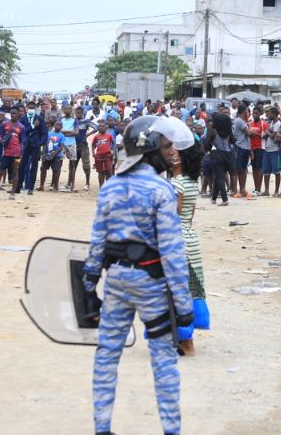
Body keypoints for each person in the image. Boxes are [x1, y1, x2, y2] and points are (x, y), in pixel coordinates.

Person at [82, 115, 193, 435]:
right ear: (151, 149)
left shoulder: (111, 188)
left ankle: (102, 427)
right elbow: (172, 252)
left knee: (107, 355)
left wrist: (89, 283)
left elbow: (97, 242)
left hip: (116, 281)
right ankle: (171, 429)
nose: (171, 151)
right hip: (152, 285)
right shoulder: (163, 190)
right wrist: (184, 305)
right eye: (167, 145)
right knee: (163, 362)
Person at [170, 142, 207, 356]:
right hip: (190, 238)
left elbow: (173, 211)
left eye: (175, 154)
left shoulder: (176, 184)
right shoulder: (191, 182)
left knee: (176, 290)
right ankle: (186, 340)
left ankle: (186, 341)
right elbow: (189, 214)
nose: (171, 156)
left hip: (176, 239)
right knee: (190, 288)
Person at [0, 106, 25, 200]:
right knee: (0, 171)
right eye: (11, 113)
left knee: (15, 172)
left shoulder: (21, 127)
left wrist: (20, 153)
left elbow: (22, 142)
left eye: (15, 113)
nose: (13, 115)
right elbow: (0, 135)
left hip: (16, 153)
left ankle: (12, 193)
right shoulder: (5, 124)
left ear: (19, 114)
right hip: (6, 152)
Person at [17, 101, 47, 196]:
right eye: (29, 107)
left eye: (33, 107)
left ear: (35, 108)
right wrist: (33, 126)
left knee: (34, 166)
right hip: (25, 145)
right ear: (26, 107)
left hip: (35, 145)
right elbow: (22, 131)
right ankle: (18, 187)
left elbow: (44, 132)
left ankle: (30, 188)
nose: (31, 108)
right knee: (22, 166)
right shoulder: (22, 118)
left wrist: (40, 143)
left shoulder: (39, 118)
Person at [207, 111, 235, 206]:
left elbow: (207, 143)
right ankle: (214, 198)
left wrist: (209, 149)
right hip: (228, 155)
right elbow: (233, 141)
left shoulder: (213, 130)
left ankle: (224, 199)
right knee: (220, 176)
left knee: (219, 177)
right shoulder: (229, 130)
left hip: (216, 154)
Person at [38, 121, 65, 192]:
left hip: (57, 155)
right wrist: (43, 154)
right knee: (43, 169)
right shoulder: (48, 134)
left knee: (56, 171)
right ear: (54, 125)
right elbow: (45, 144)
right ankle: (41, 186)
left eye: (60, 125)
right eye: (57, 124)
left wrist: (54, 154)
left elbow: (61, 146)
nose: (58, 126)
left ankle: (55, 186)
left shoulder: (62, 135)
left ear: (61, 127)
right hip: (47, 155)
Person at [262, 107, 281, 196]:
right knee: (266, 171)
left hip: (275, 150)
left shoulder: (278, 124)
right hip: (267, 149)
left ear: (274, 114)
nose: (268, 115)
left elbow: (274, 137)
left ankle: (276, 191)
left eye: (269, 113)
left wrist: (268, 132)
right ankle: (266, 191)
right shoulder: (270, 123)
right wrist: (268, 133)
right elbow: (268, 135)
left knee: (277, 171)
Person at [74, 105, 95, 191]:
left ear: (82, 113)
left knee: (86, 165)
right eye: (77, 113)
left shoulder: (85, 121)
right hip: (74, 145)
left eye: (80, 113)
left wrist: (88, 134)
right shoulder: (73, 121)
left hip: (83, 145)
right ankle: (71, 182)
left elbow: (96, 127)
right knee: (73, 165)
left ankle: (87, 183)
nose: (78, 114)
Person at [249, 106, 267, 195]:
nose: (254, 115)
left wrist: (255, 133)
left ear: (260, 114)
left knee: (260, 168)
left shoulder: (263, 124)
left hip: (260, 148)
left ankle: (259, 189)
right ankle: (256, 188)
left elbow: (266, 136)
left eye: (256, 113)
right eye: (253, 113)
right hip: (252, 148)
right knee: (254, 168)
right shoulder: (251, 124)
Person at [60, 102, 78, 191]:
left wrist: (64, 132)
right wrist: (70, 132)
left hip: (71, 144)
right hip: (62, 144)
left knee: (72, 164)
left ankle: (72, 185)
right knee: (58, 163)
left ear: (71, 110)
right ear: (63, 110)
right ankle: (55, 184)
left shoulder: (74, 120)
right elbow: (59, 131)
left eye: (69, 108)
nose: (67, 110)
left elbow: (76, 132)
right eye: (66, 108)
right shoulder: (61, 119)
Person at [92, 120, 114, 189]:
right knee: (100, 172)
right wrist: (93, 153)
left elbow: (113, 143)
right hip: (99, 156)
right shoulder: (96, 136)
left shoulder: (109, 136)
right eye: (100, 126)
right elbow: (93, 145)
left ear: (106, 127)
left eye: (103, 126)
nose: (101, 127)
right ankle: (101, 187)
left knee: (109, 171)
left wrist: (112, 151)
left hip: (107, 155)